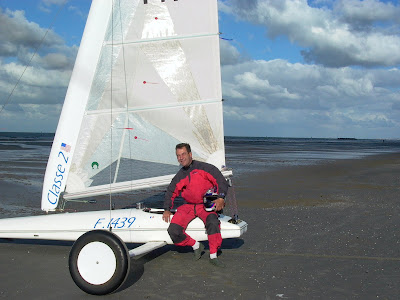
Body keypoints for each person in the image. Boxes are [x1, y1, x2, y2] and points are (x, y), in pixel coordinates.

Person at [162, 143, 228, 267]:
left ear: (190, 154)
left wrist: (220, 197)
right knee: (173, 230)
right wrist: (166, 209)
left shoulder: (205, 168)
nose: (181, 158)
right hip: (188, 206)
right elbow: (170, 191)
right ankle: (196, 245)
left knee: (213, 222)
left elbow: (220, 181)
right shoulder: (180, 175)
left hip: (205, 204)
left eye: (183, 154)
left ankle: (213, 255)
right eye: (178, 156)